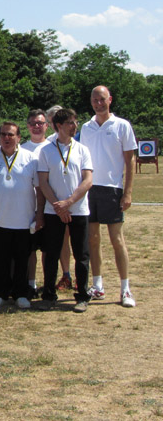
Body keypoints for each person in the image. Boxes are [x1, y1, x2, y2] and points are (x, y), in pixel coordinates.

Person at [80, 85, 137, 307]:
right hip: (90, 188)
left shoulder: (122, 125)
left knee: (117, 240)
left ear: (110, 100)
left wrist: (128, 192)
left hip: (113, 190)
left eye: (102, 99)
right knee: (93, 239)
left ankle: (125, 290)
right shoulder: (86, 127)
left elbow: (130, 160)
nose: (98, 103)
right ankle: (98, 286)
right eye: (95, 100)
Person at [0, 121, 43, 309]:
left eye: (11, 135)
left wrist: (39, 214)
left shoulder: (31, 159)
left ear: (18, 137)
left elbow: (39, 190)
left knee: (22, 260)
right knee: (1, 260)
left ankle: (21, 294)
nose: (7, 138)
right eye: (3, 134)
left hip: (24, 220)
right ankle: (0, 293)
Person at [37, 108, 93, 312]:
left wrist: (68, 202)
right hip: (54, 211)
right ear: (58, 126)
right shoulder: (46, 151)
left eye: (75, 122)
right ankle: (49, 295)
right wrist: (58, 206)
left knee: (81, 255)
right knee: (52, 254)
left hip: (79, 210)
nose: (74, 126)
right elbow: (43, 182)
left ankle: (82, 295)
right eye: (70, 122)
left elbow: (88, 180)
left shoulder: (82, 149)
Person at [20, 109, 51, 298]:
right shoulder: (21, 149)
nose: (36, 126)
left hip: (50, 207)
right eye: (33, 123)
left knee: (48, 249)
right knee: (30, 249)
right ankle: (31, 284)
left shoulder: (53, 147)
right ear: (27, 126)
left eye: (40, 123)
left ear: (47, 125)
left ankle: (48, 284)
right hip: (28, 207)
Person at [46, 105, 74, 291]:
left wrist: (69, 202)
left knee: (78, 242)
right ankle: (64, 275)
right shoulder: (49, 143)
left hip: (74, 202)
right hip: (53, 203)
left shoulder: (74, 140)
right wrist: (58, 205)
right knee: (59, 242)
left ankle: (78, 276)